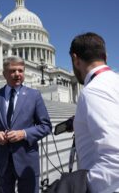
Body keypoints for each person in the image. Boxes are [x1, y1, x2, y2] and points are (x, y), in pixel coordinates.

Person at [0, 56, 52, 193]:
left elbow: (46, 126)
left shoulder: (34, 95)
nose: (17, 74)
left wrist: (24, 134)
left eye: (20, 70)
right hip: (3, 161)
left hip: (27, 161)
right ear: (4, 74)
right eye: (13, 71)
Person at [69, 32, 119, 193]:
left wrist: (77, 187)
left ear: (76, 59)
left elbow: (115, 162)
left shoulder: (94, 90)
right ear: (105, 56)